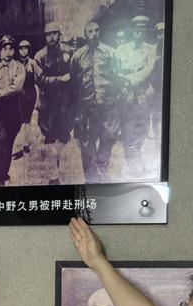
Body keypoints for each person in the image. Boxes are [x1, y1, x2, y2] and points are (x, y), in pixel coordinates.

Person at [70, 20, 118, 182]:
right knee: (86, 140)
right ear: (85, 35)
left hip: (106, 104)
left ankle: (102, 167)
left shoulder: (109, 52)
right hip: (86, 105)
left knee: (109, 136)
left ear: (100, 32)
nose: (94, 34)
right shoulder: (78, 56)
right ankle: (90, 174)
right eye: (90, 32)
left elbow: (116, 76)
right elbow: (74, 81)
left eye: (96, 31)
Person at [113, 14, 160, 178]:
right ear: (132, 31)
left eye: (143, 31)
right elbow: (115, 72)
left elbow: (148, 70)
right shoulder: (121, 50)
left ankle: (135, 154)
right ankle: (133, 163)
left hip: (144, 95)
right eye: (137, 31)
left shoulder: (151, 49)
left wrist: (129, 78)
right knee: (128, 129)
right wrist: (123, 80)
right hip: (126, 97)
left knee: (143, 128)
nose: (140, 34)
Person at [33, 22, 73, 185]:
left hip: (65, 103)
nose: (51, 37)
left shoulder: (69, 51)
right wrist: (60, 79)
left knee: (65, 136)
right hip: (48, 104)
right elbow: (40, 79)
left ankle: (54, 160)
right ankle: (53, 176)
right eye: (48, 34)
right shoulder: (39, 56)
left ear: (59, 34)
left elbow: (75, 74)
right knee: (49, 137)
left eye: (54, 33)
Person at [0, 35, 26, 186]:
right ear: (0, 52)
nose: (8, 52)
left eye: (11, 49)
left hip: (14, 110)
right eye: (5, 49)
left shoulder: (19, 67)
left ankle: (3, 174)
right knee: (1, 138)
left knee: (8, 143)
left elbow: (16, 88)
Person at [15, 38, 38, 159]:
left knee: (27, 120)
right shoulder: (15, 64)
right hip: (18, 95)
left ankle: (25, 145)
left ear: (28, 50)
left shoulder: (33, 63)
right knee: (17, 119)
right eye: (21, 49)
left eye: (25, 48)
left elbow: (38, 78)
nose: (23, 51)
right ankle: (17, 145)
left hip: (29, 94)